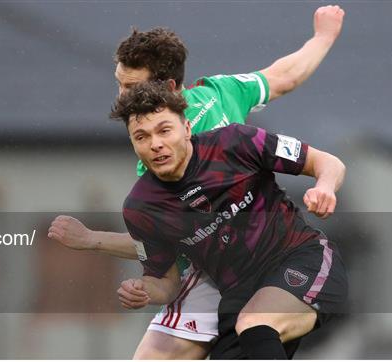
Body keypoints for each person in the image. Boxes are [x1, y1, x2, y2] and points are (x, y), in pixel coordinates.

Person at [48, 5, 345, 359]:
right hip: (227, 266)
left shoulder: (176, 160)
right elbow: (284, 76)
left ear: (170, 91)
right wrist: (322, 38)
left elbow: (174, 240)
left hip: (232, 265)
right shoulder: (218, 91)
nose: (122, 96)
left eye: (131, 87)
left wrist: (93, 240)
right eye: (119, 85)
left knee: (253, 325)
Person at [114, 81, 348, 360]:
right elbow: (166, 283)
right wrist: (143, 290)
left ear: (187, 128)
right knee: (249, 325)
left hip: (302, 259)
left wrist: (324, 187)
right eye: (141, 137)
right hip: (239, 296)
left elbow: (328, 163)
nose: (156, 144)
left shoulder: (234, 142)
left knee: (255, 323)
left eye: (165, 130)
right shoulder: (142, 208)